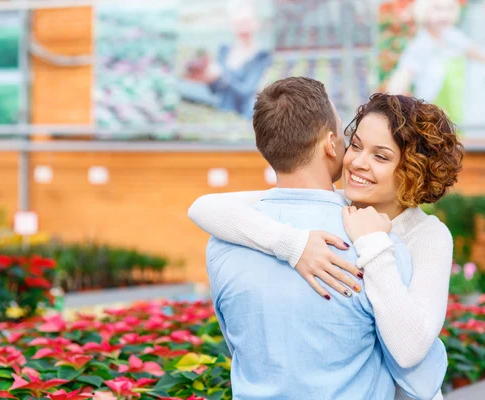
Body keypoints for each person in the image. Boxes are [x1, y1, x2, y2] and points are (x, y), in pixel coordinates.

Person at [190, 91, 464, 399]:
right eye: (356, 145)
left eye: (381, 156)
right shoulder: (334, 203)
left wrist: (373, 244)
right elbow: (205, 208)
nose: (358, 163)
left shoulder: (427, 236)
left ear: (414, 170)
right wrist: (295, 245)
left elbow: (410, 349)